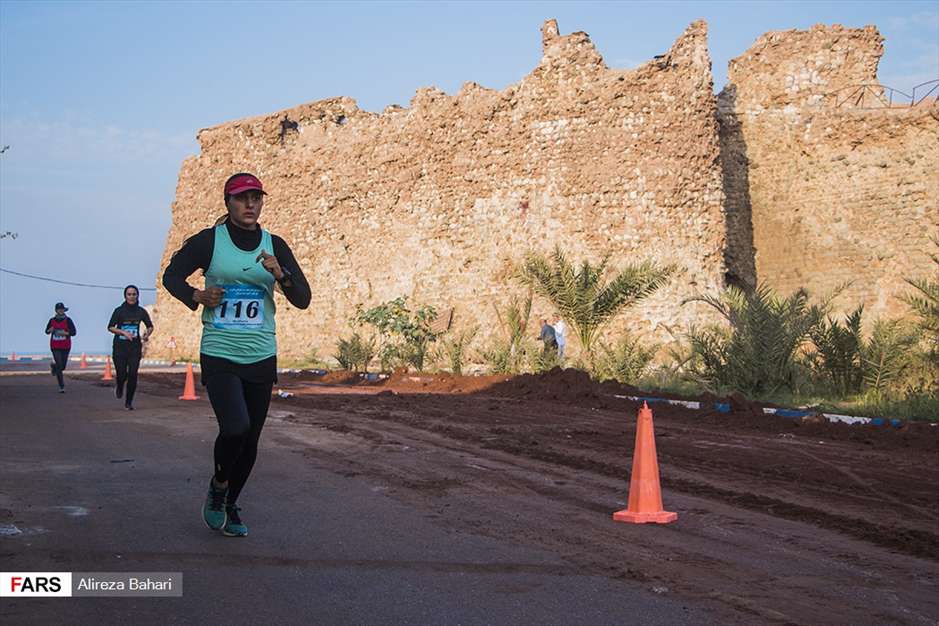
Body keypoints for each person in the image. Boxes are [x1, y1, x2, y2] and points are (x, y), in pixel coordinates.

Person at [162, 172, 311, 537]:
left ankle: (231, 504)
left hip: (261, 354)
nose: (250, 204)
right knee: (236, 428)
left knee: (251, 440)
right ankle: (218, 487)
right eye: (242, 198)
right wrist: (197, 296)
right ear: (227, 202)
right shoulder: (210, 241)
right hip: (220, 352)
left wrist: (283, 274)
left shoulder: (275, 244)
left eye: (256, 198)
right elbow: (172, 277)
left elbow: (302, 299)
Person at [107, 285, 154, 410]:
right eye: (129, 294)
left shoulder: (141, 311)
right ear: (125, 296)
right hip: (120, 347)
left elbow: (150, 326)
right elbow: (110, 327)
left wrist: (146, 334)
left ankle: (128, 402)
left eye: (134, 294)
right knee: (122, 374)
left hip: (134, 347)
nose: (132, 297)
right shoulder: (119, 311)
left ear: (137, 295)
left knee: (133, 374)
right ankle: (120, 385)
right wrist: (123, 333)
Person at [45, 302, 77, 393]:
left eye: (62, 309)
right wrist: (49, 330)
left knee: (62, 366)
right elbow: (46, 331)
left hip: (65, 346)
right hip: (55, 346)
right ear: (56, 310)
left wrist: (65, 333)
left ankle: (54, 367)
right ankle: (61, 386)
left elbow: (74, 332)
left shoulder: (68, 320)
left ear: (64, 310)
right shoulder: (52, 320)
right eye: (59, 309)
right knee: (59, 365)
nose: (60, 311)